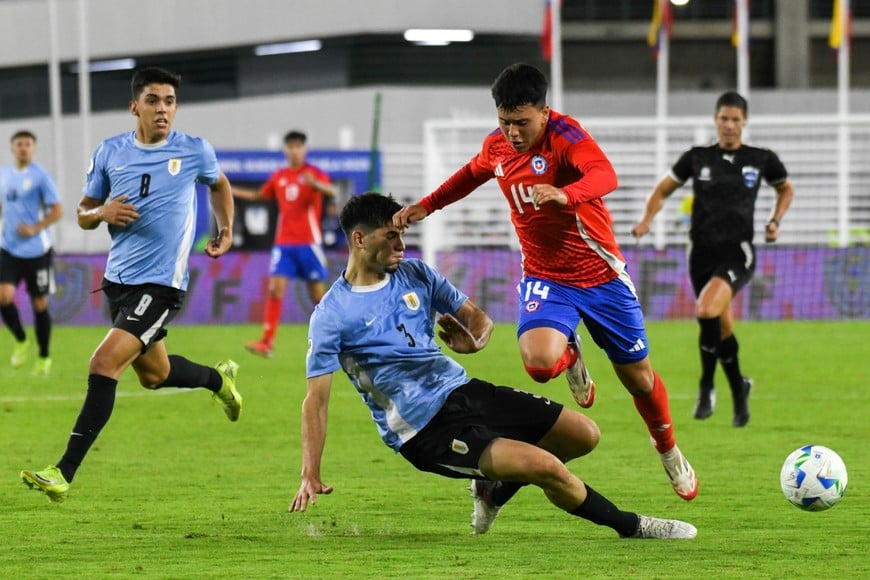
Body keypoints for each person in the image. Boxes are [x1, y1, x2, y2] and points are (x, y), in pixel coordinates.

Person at [289, 192, 696, 540]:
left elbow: (478, 319)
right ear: (359, 239)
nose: (401, 244)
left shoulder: (416, 274)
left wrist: (473, 341)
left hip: (464, 391)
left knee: (583, 436)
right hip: (424, 429)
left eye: (403, 234)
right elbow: (315, 402)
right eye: (391, 235)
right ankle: (635, 527)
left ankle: (492, 493)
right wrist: (310, 472)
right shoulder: (332, 314)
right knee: (545, 466)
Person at [393, 63, 698, 501]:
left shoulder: (566, 136)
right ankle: (569, 352)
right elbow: (471, 173)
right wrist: (428, 205)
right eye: (505, 122)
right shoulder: (498, 147)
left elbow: (604, 174)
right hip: (546, 276)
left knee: (640, 381)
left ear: (544, 111)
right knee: (538, 365)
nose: (513, 132)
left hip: (601, 275)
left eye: (522, 122)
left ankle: (668, 450)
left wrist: (566, 193)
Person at [20, 66, 243, 503]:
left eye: (170, 102)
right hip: (118, 280)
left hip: (161, 284)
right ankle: (219, 381)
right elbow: (83, 213)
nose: (163, 109)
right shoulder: (110, 153)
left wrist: (227, 228)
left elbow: (219, 184)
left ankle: (62, 472)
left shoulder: (194, 151)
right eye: (154, 101)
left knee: (103, 364)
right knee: (155, 376)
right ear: (134, 106)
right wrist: (102, 213)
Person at [632, 91, 794, 428]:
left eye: (736, 119)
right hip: (701, 255)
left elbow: (785, 188)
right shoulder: (697, 157)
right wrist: (647, 219)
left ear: (744, 121)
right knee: (721, 326)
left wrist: (775, 220)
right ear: (716, 120)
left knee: (706, 309)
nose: (730, 126)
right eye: (724, 119)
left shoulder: (761, 158)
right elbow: (663, 189)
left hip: (738, 252)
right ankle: (739, 386)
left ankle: (707, 386)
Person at [233, 130, 336, 358]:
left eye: (299, 146)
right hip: (284, 243)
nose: (295, 150)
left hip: (308, 243)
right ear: (285, 150)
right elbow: (261, 195)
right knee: (275, 289)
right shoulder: (279, 176)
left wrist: (316, 185)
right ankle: (267, 342)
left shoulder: (314, 173)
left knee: (317, 296)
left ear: (304, 149)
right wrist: (231, 191)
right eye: (291, 146)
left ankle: (337, 336)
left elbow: (332, 190)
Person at [0, 130, 63, 375]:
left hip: (37, 251)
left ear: (33, 148)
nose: (23, 148)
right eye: (19, 144)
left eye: (28, 144)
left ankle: (44, 355)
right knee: (3, 297)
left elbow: (57, 210)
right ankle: (20, 339)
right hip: (8, 248)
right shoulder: (4, 175)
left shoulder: (41, 177)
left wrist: (34, 228)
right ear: (12, 147)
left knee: (39, 303)